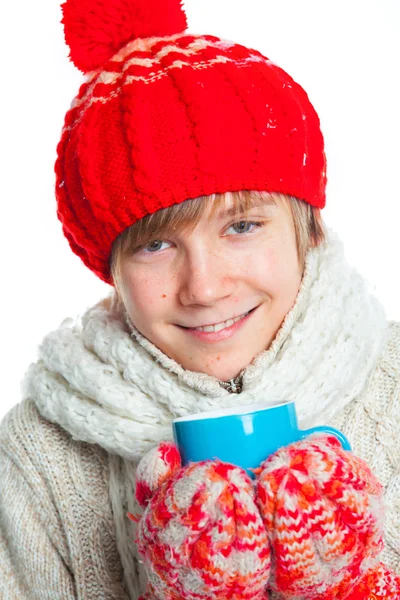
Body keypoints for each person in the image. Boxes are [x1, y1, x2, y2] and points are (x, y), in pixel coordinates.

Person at [0, 0, 399, 598]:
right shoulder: (38, 456)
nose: (205, 287)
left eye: (242, 227)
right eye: (155, 244)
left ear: (309, 230)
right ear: (110, 268)